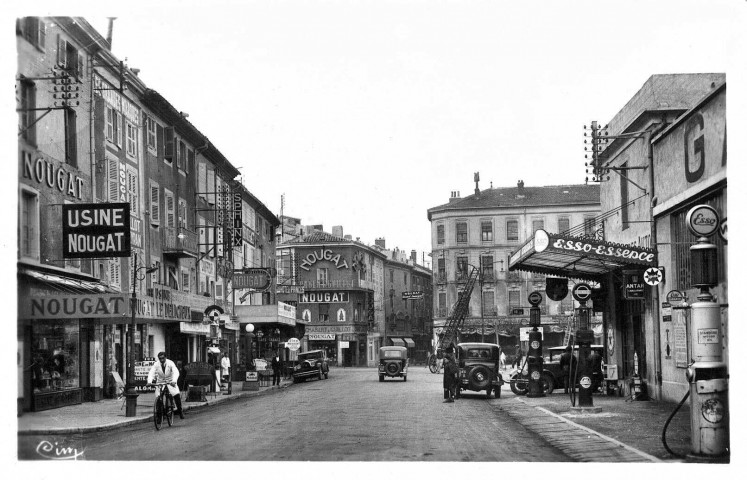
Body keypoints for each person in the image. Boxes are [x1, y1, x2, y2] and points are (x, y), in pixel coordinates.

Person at [147, 352, 184, 419]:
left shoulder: (170, 363)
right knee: (158, 398)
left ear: (166, 357)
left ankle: (180, 411)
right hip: (161, 382)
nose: (161, 360)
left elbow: (176, 372)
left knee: (176, 394)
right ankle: (159, 416)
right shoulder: (156, 364)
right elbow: (151, 372)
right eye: (160, 358)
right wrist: (149, 382)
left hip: (170, 381)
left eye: (163, 358)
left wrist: (174, 381)